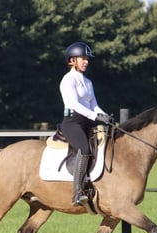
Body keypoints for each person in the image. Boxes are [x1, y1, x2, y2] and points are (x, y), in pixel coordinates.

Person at [59, 42, 113, 206]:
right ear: (72, 60)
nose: (86, 62)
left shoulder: (88, 82)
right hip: (72, 122)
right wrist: (94, 115)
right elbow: (74, 104)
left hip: (88, 122)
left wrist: (104, 116)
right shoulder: (68, 80)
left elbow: (94, 105)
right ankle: (77, 192)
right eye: (82, 58)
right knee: (85, 148)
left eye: (87, 59)